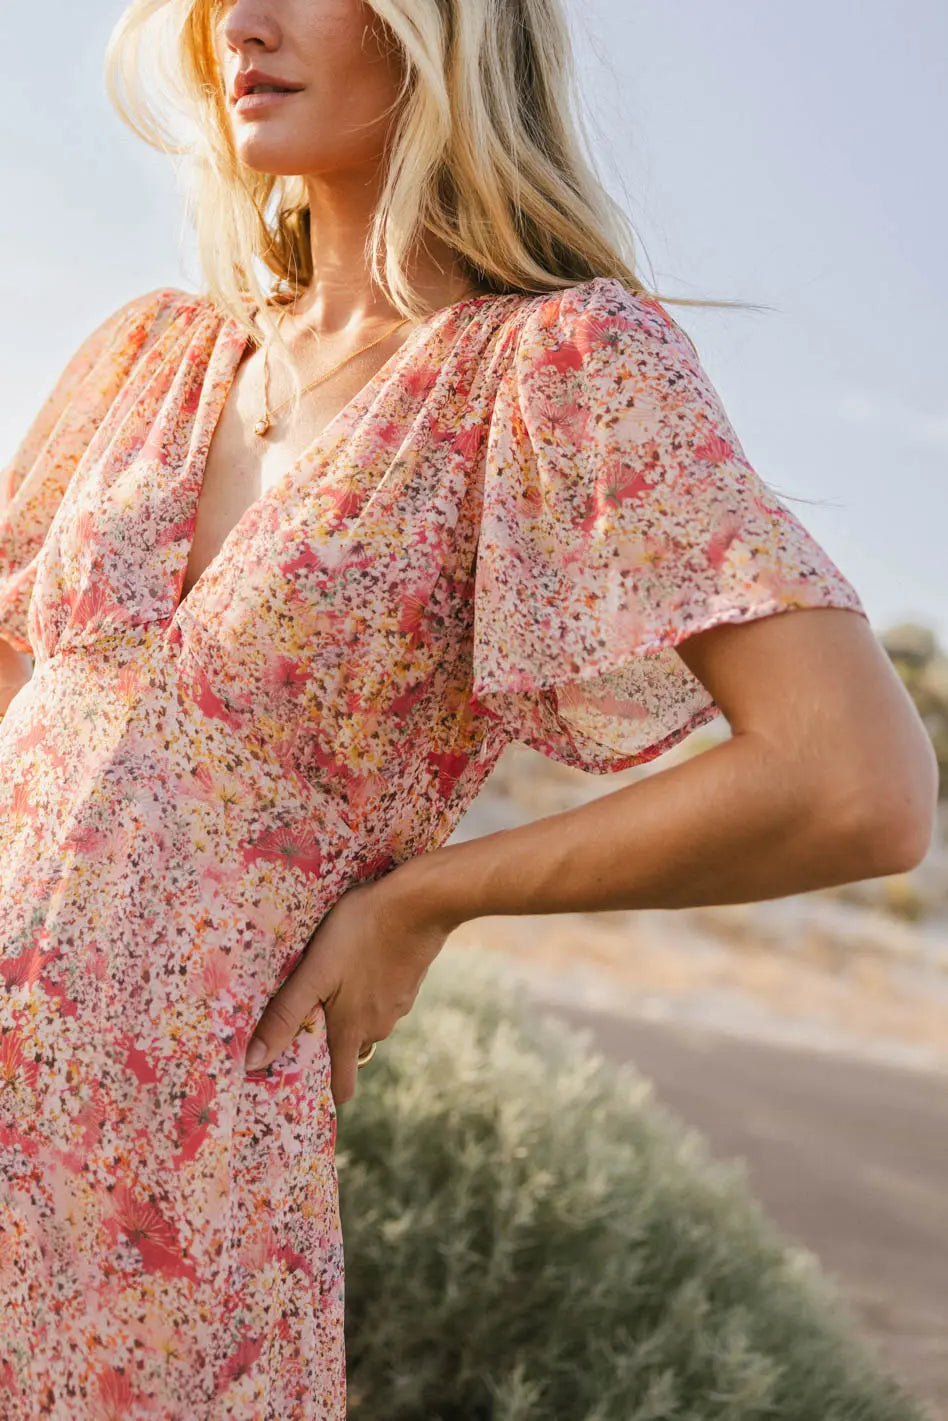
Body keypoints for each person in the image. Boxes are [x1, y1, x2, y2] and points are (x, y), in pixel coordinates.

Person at [0, 0, 936, 1416]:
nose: (240, 24)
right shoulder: (149, 356)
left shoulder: (554, 366)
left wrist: (424, 898)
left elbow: (851, 779)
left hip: (164, 1195)